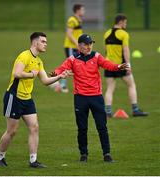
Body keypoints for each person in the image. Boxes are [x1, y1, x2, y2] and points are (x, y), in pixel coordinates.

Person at [0, 32, 72, 168]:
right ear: (35, 42)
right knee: (12, 131)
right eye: (43, 42)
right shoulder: (24, 56)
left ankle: (33, 161)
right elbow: (17, 74)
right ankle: (0, 158)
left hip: (27, 99)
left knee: (34, 127)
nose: (45, 44)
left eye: (46, 42)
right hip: (14, 97)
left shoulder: (38, 61)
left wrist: (60, 76)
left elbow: (46, 81)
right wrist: (31, 74)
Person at [53, 34, 130, 162]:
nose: (89, 46)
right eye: (86, 44)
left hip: (96, 98)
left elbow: (107, 64)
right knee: (82, 128)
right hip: (80, 98)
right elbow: (61, 68)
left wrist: (118, 66)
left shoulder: (96, 56)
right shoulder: (72, 59)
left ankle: (107, 154)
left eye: (90, 44)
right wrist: (54, 73)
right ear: (79, 46)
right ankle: (83, 154)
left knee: (102, 127)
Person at [103, 14, 148, 117]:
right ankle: (135, 110)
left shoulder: (106, 33)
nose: (126, 24)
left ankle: (108, 112)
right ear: (121, 22)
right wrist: (128, 65)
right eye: (125, 22)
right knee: (131, 85)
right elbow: (126, 50)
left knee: (110, 88)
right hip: (121, 65)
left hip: (109, 65)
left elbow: (106, 50)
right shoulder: (123, 34)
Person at [51, 4, 85, 93]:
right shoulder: (72, 20)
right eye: (82, 10)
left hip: (76, 46)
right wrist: (77, 44)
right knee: (70, 65)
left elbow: (78, 33)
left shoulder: (78, 20)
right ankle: (61, 84)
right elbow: (69, 34)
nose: (83, 11)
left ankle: (61, 84)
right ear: (77, 10)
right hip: (70, 46)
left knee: (75, 66)